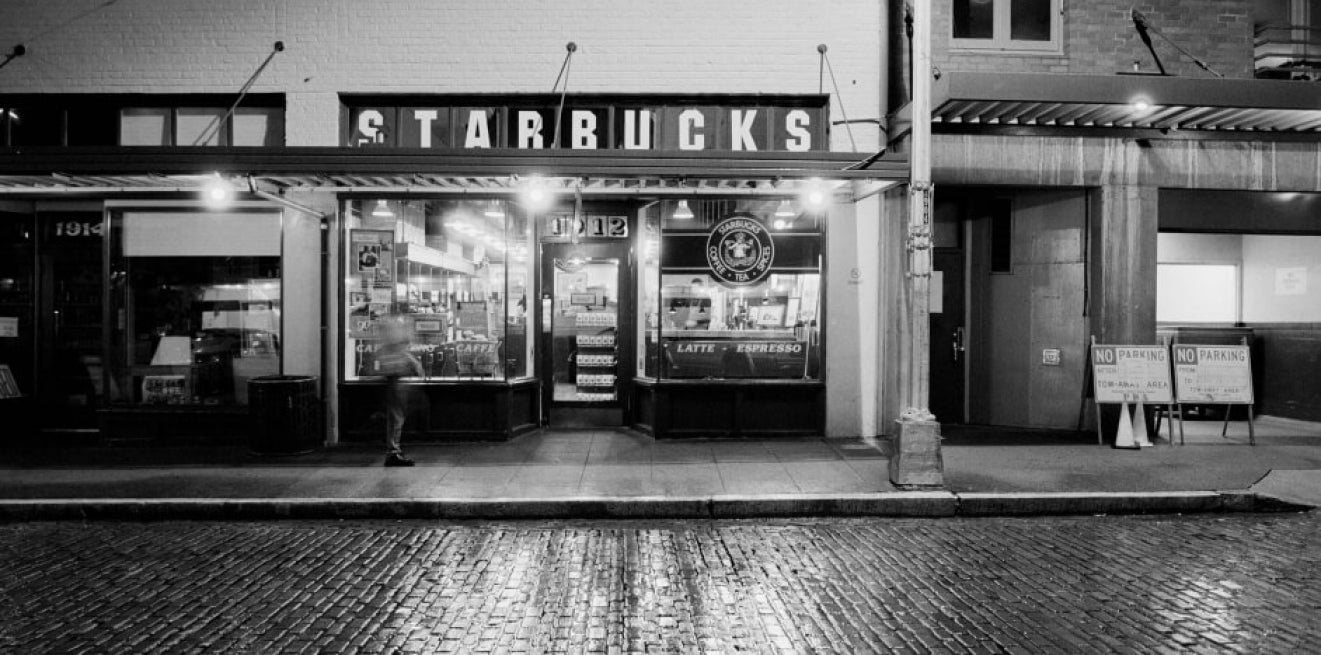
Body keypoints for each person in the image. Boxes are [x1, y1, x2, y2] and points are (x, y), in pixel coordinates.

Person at [375, 316, 424, 466]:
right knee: (396, 418)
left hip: (394, 380)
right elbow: (401, 356)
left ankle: (394, 449)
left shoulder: (387, 345)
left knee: (396, 418)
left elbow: (381, 361)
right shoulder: (395, 341)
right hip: (395, 380)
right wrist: (416, 367)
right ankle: (393, 452)